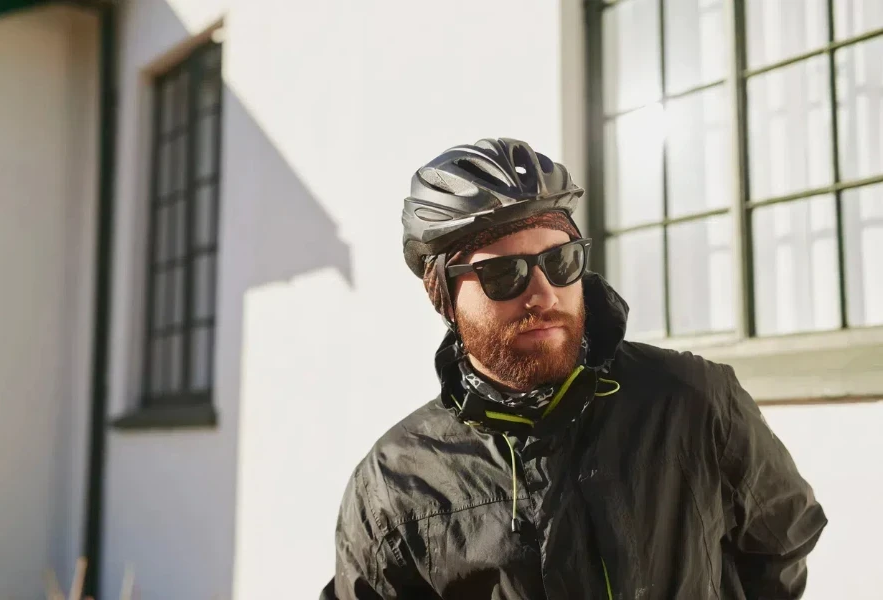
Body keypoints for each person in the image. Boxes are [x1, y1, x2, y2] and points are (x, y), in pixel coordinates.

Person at [321, 138, 827, 599]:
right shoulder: (394, 485)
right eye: (502, 273)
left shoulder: (694, 398)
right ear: (444, 296)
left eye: (561, 261)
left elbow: (780, 546)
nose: (543, 294)